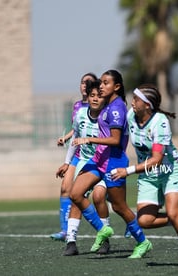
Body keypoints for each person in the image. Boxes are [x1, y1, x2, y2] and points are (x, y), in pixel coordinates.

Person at [110, 85, 178, 267]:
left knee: (172, 212)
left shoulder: (160, 122)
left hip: (171, 172)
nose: (133, 102)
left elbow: (157, 160)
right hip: (149, 176)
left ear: (147, 105)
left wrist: (127, 171)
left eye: (137, 99)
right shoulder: (131, 116)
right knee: (144, 220)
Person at [70, 69, 152, 259]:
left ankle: (143, 242)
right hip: (99, 159)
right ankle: (103, 229)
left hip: (113, 162)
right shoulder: (108, 105)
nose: (101, 86)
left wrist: (89, 140)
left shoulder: (117, 108)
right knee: (75, 193)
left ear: (117, 86)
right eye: (101, 83)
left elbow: (115, 140)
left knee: (119, 207)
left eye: (106, 83)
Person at [61, 79, 110, 256]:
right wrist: (67, 163)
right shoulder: (81, 114)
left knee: (98, 197)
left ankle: (105, 238)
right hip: (84, 162)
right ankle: (71, 241)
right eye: (92, 95)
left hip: (103, 163)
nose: (95, 99)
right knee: (76, 196)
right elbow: (75, 141)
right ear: (87, 97)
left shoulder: (107, 116)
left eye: (99, 96)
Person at [50, 73, 98, 241]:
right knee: (66, 188)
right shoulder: (77, 106)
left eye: (89, 82)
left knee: (105, 196)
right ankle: (65, 231)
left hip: (97, 156)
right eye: (82, 82)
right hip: (78, 153)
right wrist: (67, 138)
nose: (85, 85)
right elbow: (77, 129)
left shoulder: (100, 106)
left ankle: (129, 223)